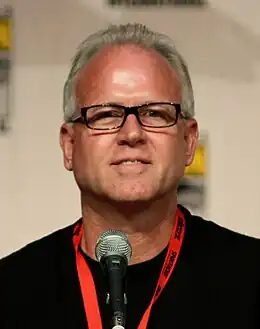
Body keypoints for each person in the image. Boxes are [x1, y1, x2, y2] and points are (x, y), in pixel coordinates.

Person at [0, 23, 260, 329]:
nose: (132, 133)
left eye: (155, 113)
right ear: (69, 145)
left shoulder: (252, 280)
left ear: (189, 142)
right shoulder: (9, 292)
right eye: (106, 114)